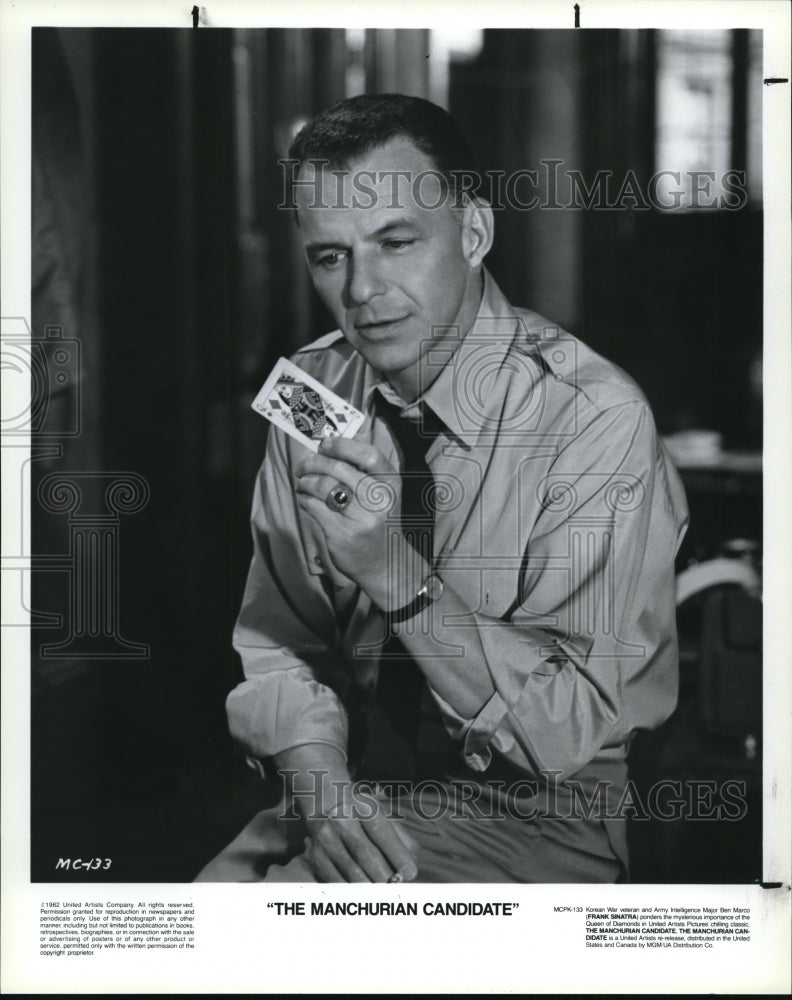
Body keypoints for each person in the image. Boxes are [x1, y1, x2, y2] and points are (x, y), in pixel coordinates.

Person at [196, 93, 689, 883]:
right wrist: (324, 793)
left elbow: (564, 732)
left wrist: (391, 569)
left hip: (534, 812)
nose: (361, 289)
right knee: (188, 928)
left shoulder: (596, 416)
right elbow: (279, 642)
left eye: (396, 241)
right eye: (331, 256)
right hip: (348, 788)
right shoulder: (310, 391)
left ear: (474, 232)